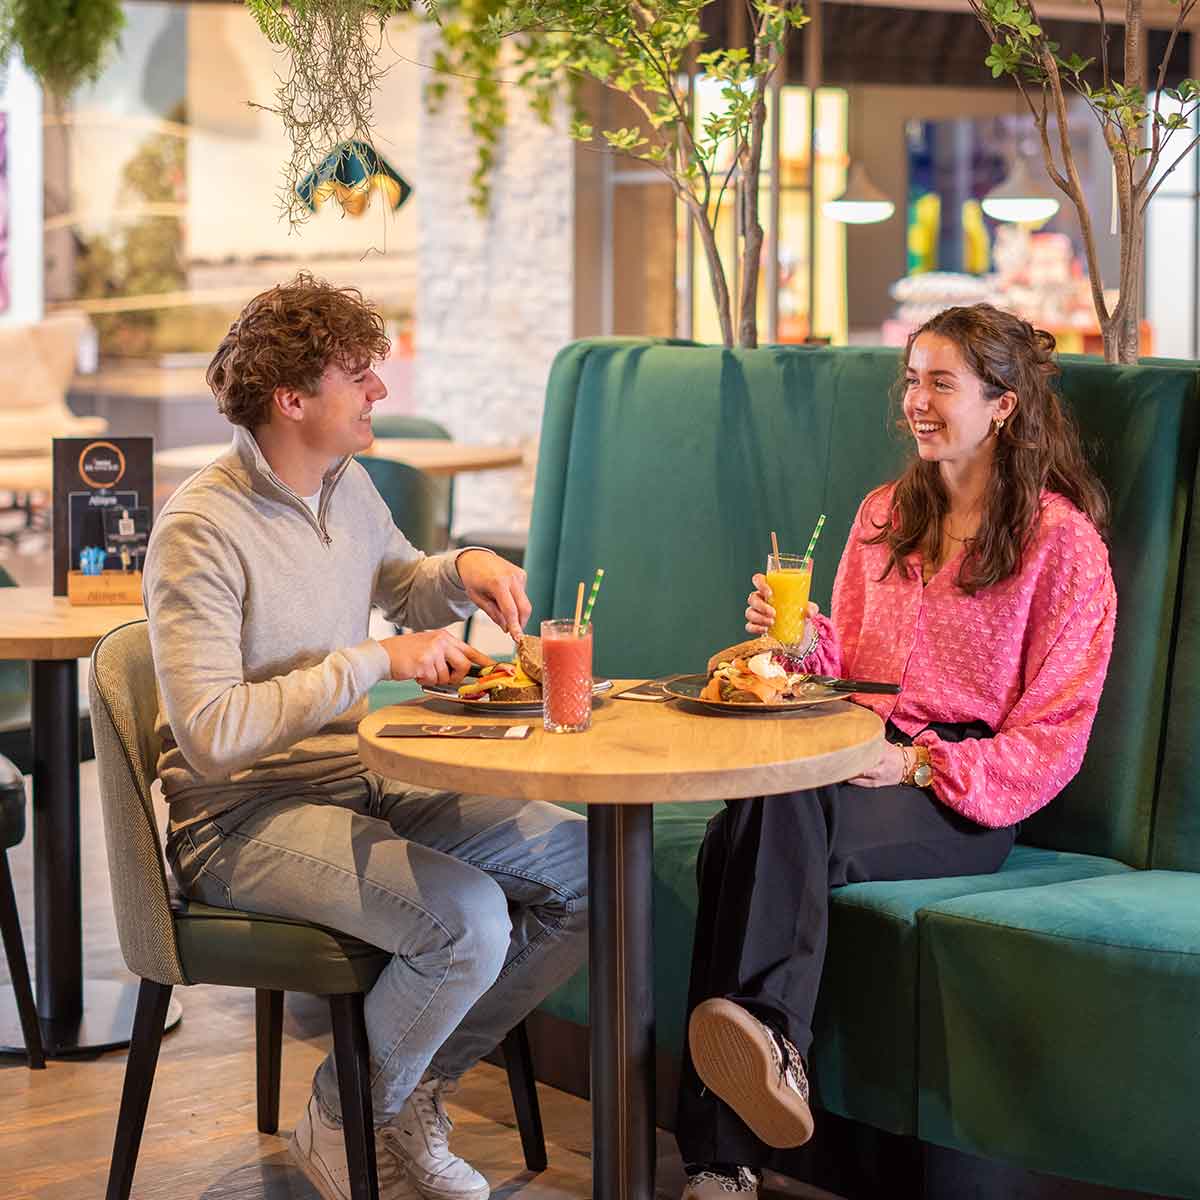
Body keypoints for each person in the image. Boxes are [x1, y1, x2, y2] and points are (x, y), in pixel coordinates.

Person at [144, 274, 588, 1200]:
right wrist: (371, 660)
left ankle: (404, 1093)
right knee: (466, 919)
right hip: (239, 816)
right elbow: (214, 736)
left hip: (362, 777)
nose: (381, 392)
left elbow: (404, 580)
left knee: (591, 873)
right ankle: (348, 1118)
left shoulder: (344, 487)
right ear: (293, 400)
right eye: (360, 375)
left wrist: (462, 567)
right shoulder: (199, 528)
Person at [675, 304, 1117, 1199]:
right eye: (911, 379)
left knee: (746, 830)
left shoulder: (1061, 543)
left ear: (1003, 405)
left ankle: (730, 1137)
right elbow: (853, 669)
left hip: (961, 793)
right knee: (750, 820)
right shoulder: (885, 515)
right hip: (854, 749)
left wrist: (917, 764)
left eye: (940, 382)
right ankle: (766, 1065)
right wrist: (797, 644)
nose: (916, 400)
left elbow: (1054, 738)